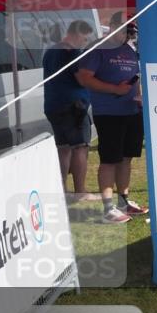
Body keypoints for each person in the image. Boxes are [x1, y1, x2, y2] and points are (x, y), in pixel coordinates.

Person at [76, 13, 147, 224]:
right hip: (109, 113)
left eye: (129, 30)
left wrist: (140, 95)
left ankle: (124, 200)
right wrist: (114, 89)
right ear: (112, 25)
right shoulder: (99, 49)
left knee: (126, 157)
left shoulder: (129, 50)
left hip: (132, 111)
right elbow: (84, 77)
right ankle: (108, 208)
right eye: (124, 28)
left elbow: (136, 78)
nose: (126, 34)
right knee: (109, 159)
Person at [43, 20, 100, 202]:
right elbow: (82, 79)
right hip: (73, 106)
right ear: (75, 34)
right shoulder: (73, 52)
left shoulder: (51, 51)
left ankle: (62, 189)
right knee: (80, 147)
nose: (84, 43)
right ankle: (80, 191)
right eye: (84, 38)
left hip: (53, 104)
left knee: (63, 148)